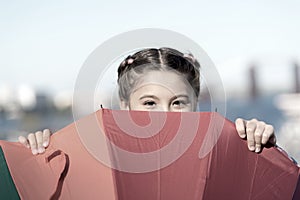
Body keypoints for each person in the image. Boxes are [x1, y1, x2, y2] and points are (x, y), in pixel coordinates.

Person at [18, 47, 276, 155]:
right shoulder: (97, 158)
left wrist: (259, 148)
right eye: (150, 103)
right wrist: (35, 159)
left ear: (196, 104)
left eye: (178, 102)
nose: (166, 114)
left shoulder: (222, 155)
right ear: (125, 105)